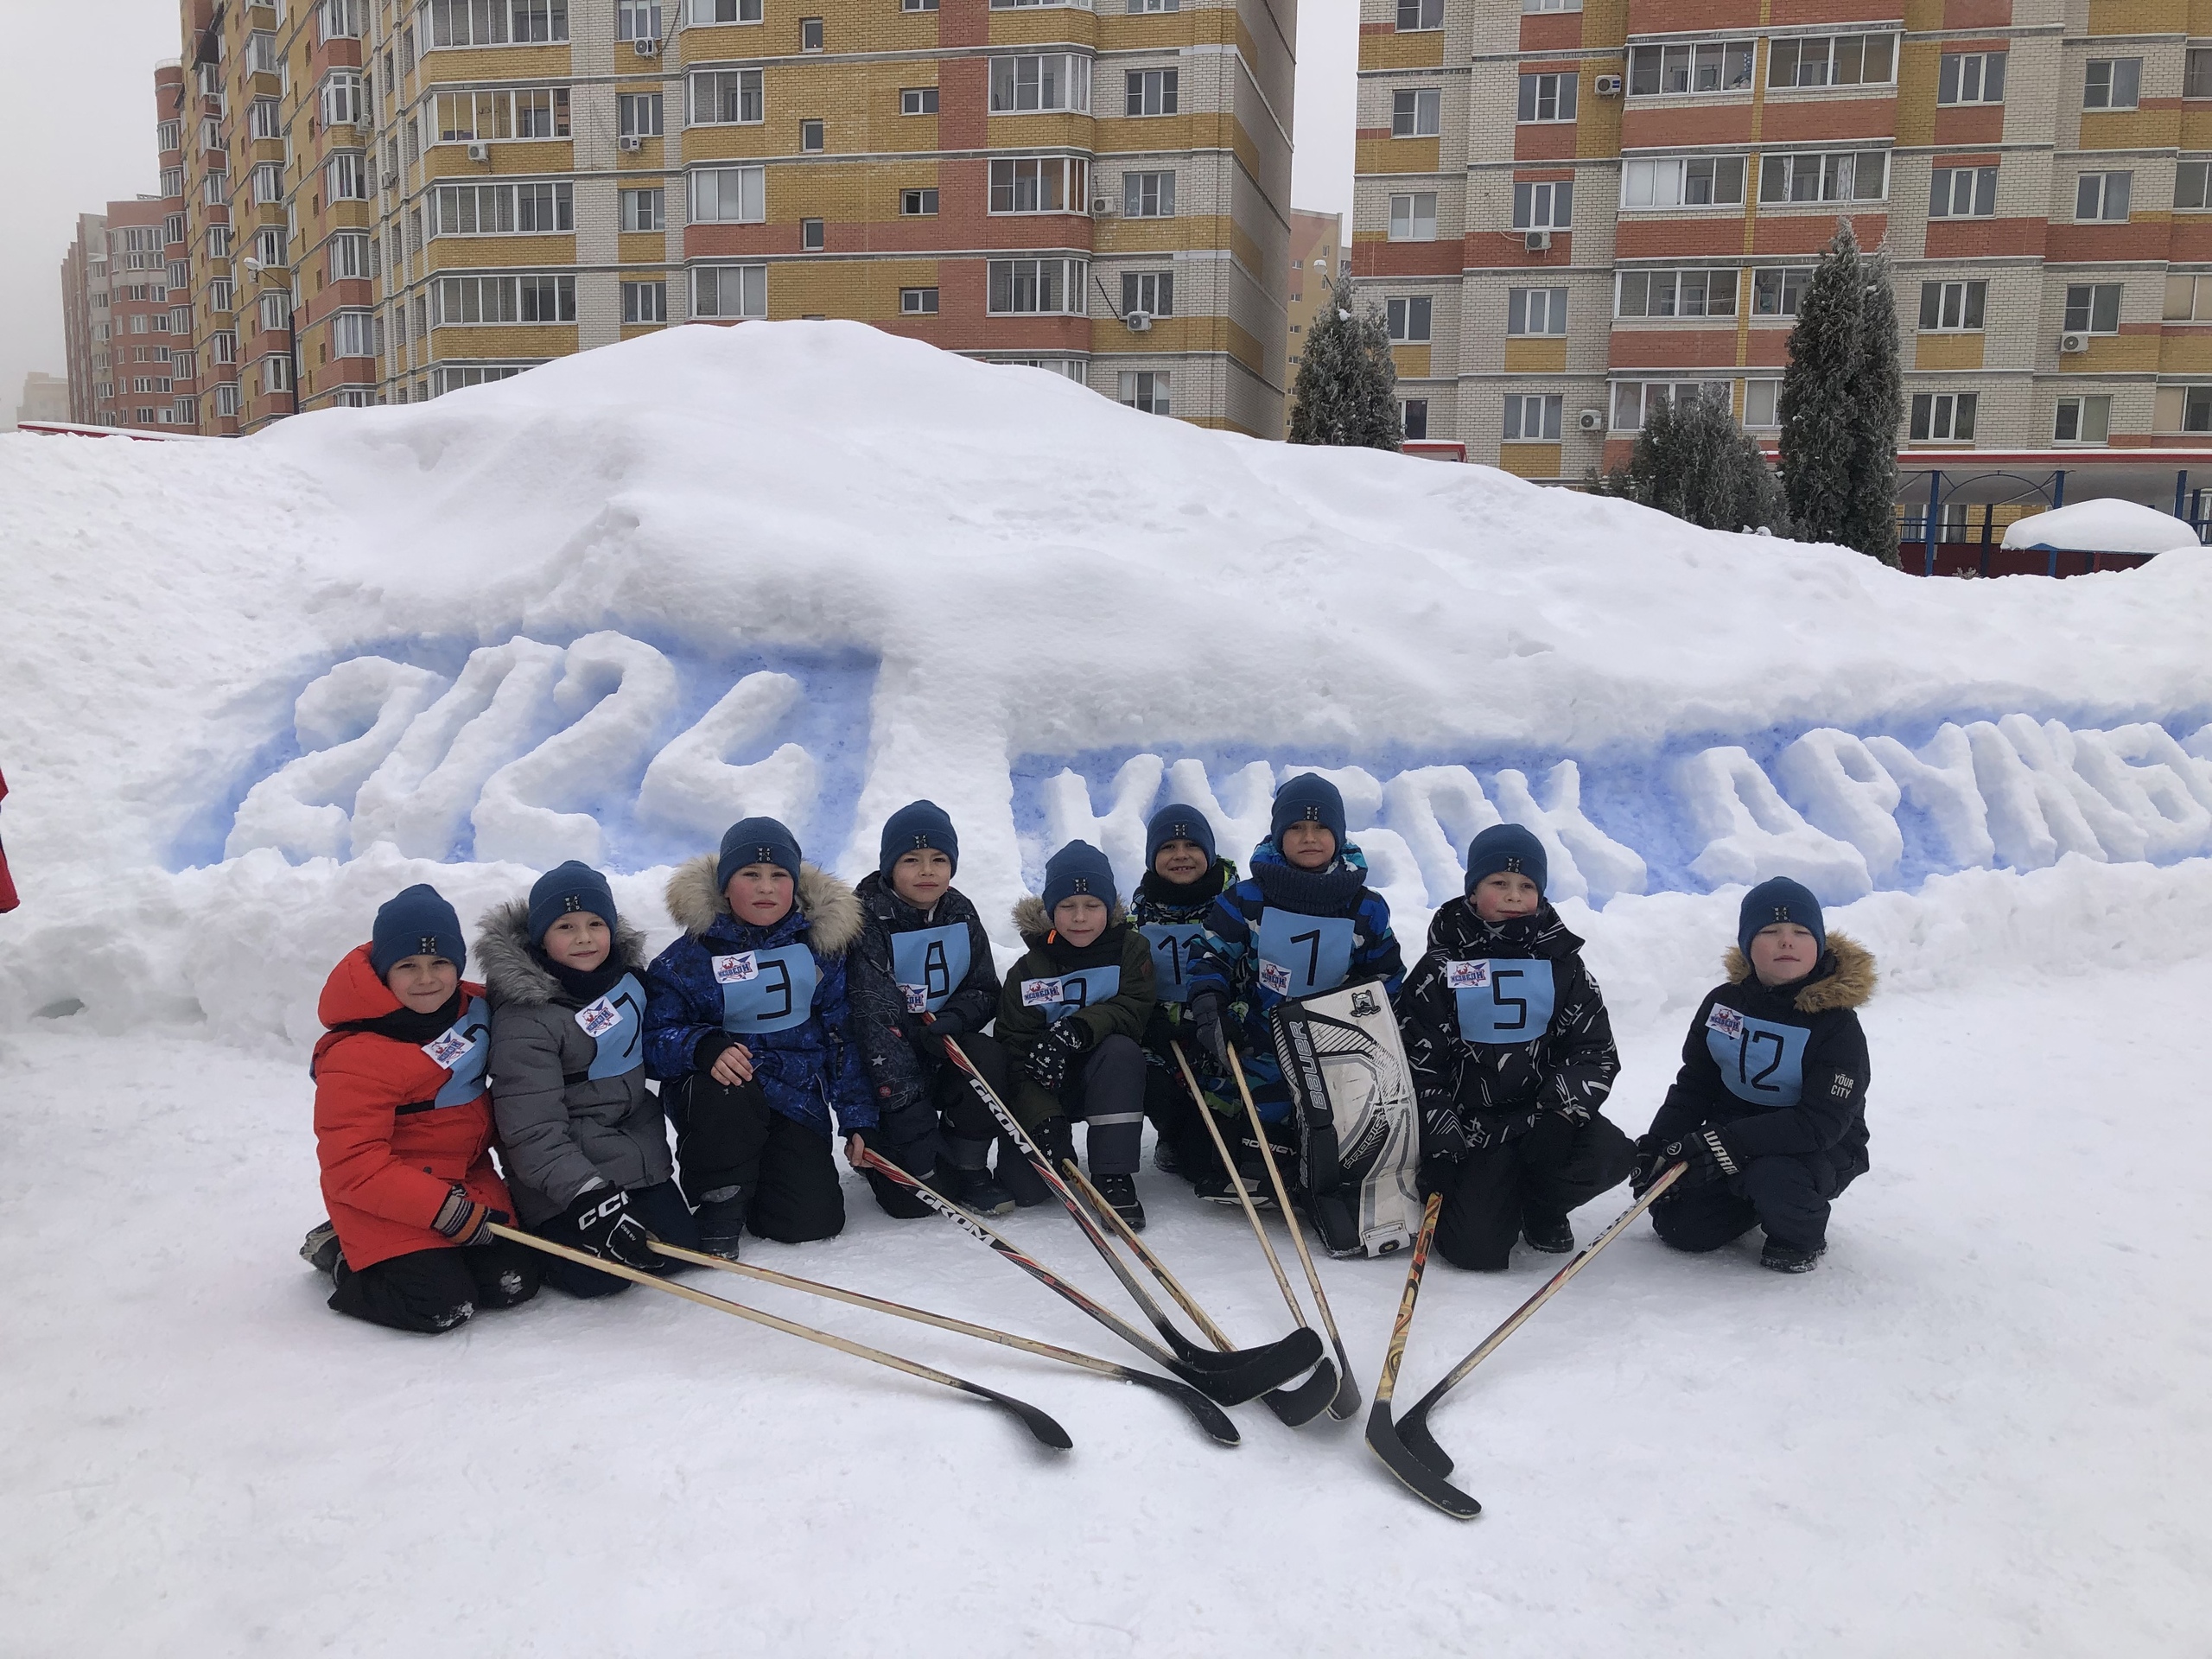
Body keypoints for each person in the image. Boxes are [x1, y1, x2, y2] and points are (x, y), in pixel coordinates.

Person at [301, 883, 541, 1333]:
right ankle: (341, 1255)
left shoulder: (474, 1010)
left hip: (466, 1180)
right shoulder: (355, 1055)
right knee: (439, 1304)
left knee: (514, 1284)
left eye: (440, 963)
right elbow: (352, 1165)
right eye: (407, 966)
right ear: (382, 972)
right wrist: (440, 1210)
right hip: (384, 1197)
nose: (427, 979)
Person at [1398, 824, 1634, 1271]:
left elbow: (1593, 1050)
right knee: (1476, 1253)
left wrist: (1562, 1117)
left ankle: (1541, 1208)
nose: (1513, 895)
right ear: (1472, 892)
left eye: (1526, 886)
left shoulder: (1564, 966)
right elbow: (1420, 1065)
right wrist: (1441, 1142)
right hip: (1471, 1132)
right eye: (1498, 883)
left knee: (1611, 1152)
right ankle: (1485, 1202)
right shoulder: (1442, 967)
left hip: (1541, 1121)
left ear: (1541, 897)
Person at [643, 817, 869, 1258]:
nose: (766, 887)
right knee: (724, 1089)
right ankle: (718, 1202)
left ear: (795, 884)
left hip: (795, 1098)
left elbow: (842, 1037)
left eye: (778, 875)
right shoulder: (689, 957)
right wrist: (701, 1046)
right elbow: (652, 1041)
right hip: (722, 1100)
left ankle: (759, 1183)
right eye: (750, 875)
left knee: (812, 1221)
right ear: (725, 886)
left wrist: (857, 1119)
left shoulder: (821, 949)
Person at [479, 861, 700, 1297]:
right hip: (559, 1176)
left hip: (631, 1155)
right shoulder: (527, 1019)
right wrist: (586, 1193)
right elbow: (531, 1128)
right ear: (539, 937)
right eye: (565, 926)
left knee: (674, 1251)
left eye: (596, 923)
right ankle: (541, 1238)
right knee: (600, 1277)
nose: (584, 938)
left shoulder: (627, 983)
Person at [1632, 877, 1875, 1274]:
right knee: (1683, 1229)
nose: (1786, 942)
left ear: (1819, 943)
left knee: (1773, 1177)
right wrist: (1661, 1142)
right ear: (1747, 943)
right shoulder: (1724, 1005)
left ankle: (1801, 1233)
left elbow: (1821, 1123)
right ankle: (1745, 1200)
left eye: (1800, 932)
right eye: (1770, 931)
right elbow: (1695, 1083)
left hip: (1817, 1148)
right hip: (1734, 1135)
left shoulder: (1838, 1026)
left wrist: (1724, 1143)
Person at [1185, 772, 1405, 1198]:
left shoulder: (1365, 907)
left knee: (1333, 1134)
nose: (1309, 837)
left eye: (1321, 827)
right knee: (1243, 1136)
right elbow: (1211, 956)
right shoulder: (1248, 898)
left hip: (1335, 1042)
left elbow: (1385, 978)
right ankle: (1256, 1158)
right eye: (1297, 828)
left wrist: (1371, 1027)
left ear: (1338, 836)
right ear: (1278, 834)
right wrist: (1211, 1006)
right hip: (1259, 1037)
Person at [846, 800, 1023, 1217]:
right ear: (889, 866)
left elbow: (983, 987)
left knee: (986, 1055)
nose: (927, 870)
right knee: (915, 1205)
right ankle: (891, 1152)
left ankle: (968, 1162)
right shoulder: (865, 921)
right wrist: (908, 1113)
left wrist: (955, 1018)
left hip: (939, 1045)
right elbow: (872, 1019)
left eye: (938, 859)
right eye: (911, 859)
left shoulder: (959, 911)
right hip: (882, 1069)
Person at [996, 840, 1158, 1230]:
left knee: (1122, 1050)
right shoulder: (1030, 967)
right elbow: (1013, 1048)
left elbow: (1135, 1010)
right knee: (1029, 1191)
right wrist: (1043, 1117)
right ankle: (1050, 1135)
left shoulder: (1130, 950)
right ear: (1051, 911)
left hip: (1105, 1078)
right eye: (1067, 906)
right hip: (1043, 1083)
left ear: (1110, 908)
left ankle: (1113, 1173)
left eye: (1092, 905)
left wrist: (1076, 1030)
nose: (1080, 917)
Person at [1128, 804, 1248, 1193]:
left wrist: (1233, 1015)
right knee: (1147, 1079)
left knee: (1212, 1160)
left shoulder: (1241, 909)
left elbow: (1258, 975)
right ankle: (1174, 1134)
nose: (1181, 855)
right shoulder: (1136, 919)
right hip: (1164, 1042)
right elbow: (1126, 986)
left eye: (1192, 845)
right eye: (1168, 847)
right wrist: (1148, 1022)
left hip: (1220, 1035)